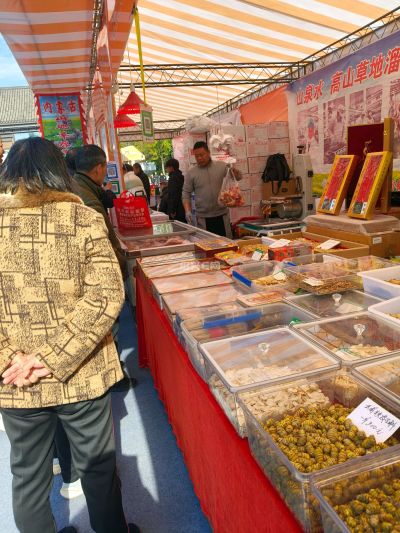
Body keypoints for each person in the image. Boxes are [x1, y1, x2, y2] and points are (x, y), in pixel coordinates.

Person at [0, 137, 139, 533]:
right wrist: (52, 356)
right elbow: (106, 296)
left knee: (28, 476)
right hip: (82, 374)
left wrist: (12, 358)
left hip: (16, 381)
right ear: (59, 173)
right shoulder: (82, 219)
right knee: (98, 469)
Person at [73, 145, 126, 275]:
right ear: (98, 168)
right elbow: (107, 246)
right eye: (105, 168)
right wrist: (124, 266)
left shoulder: (76, 185)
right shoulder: (90, 203)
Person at [182, 141, 242, 237]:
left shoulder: (221, 166)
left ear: (208, 152)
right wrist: (187, 211)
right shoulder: (191, 172)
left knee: (226, 243)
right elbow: (186, 193)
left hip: (222, 215)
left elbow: (238, 177)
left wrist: (235, 171)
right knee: (207, 244)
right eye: (197, 156)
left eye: (202, 155)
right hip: (203, 218)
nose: (199, 158)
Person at [165, 158, 186, 222]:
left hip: (176, 209)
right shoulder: (181, 176)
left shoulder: (173, 178)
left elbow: (173, 194)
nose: (166, 169)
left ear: (171, 167)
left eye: (167, 167)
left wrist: (172, 210)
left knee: (176, 225)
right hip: (182, 205)